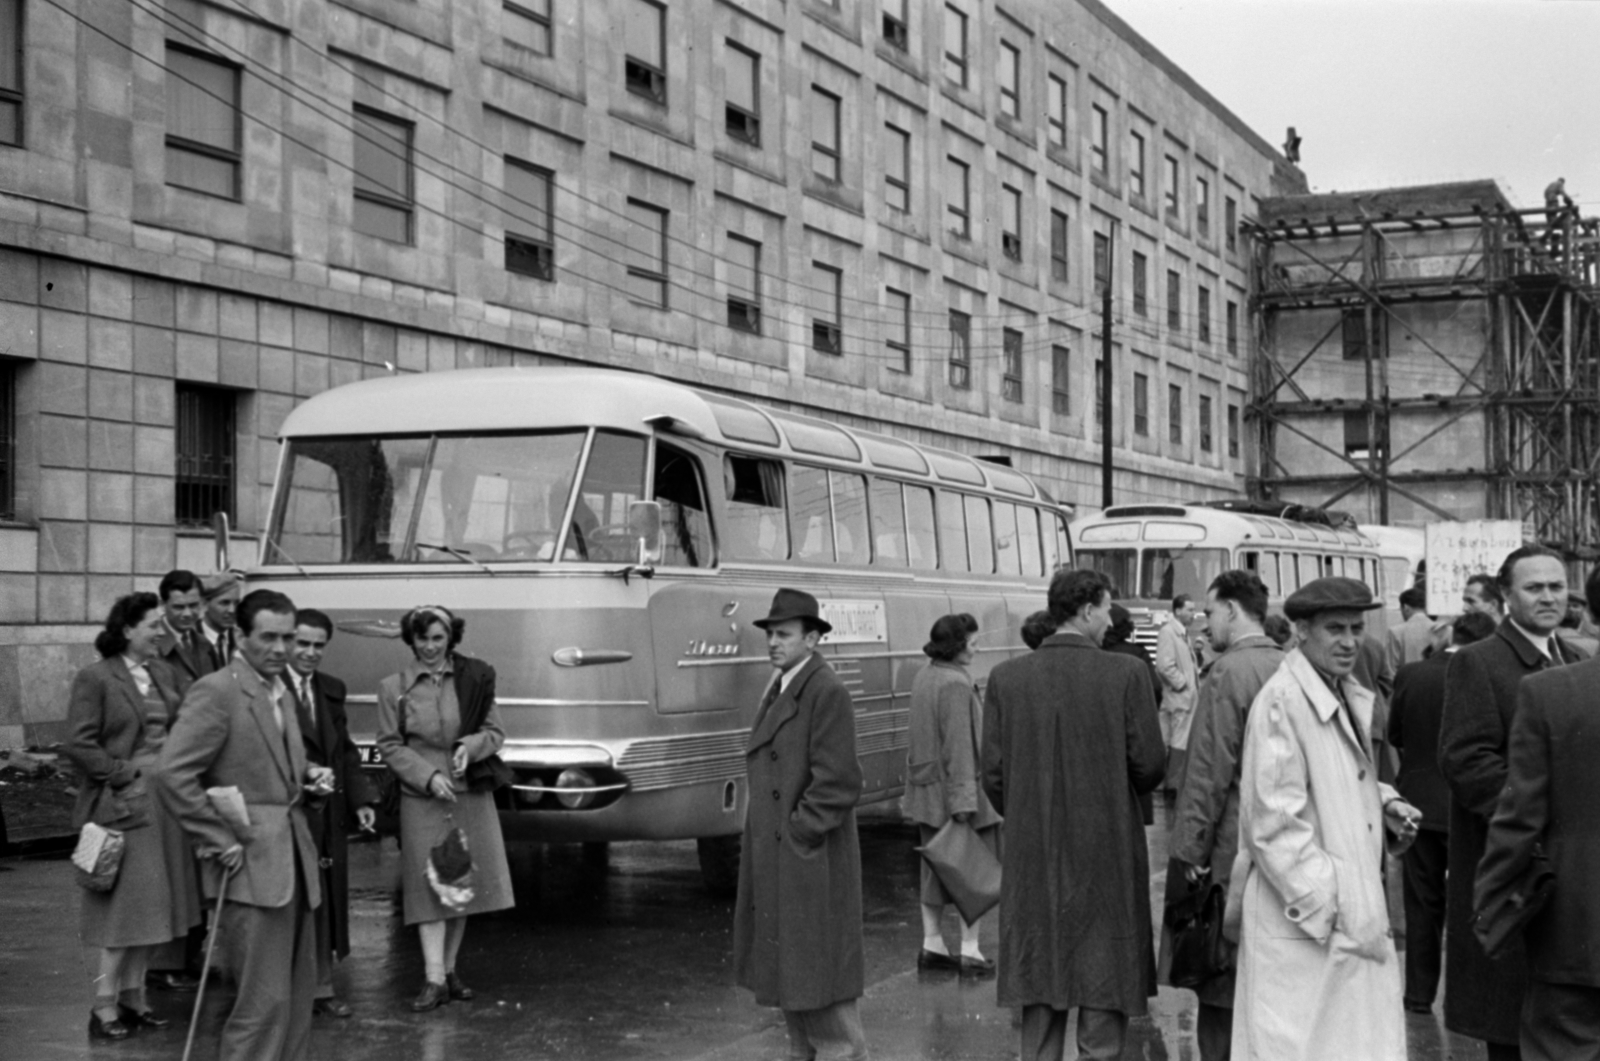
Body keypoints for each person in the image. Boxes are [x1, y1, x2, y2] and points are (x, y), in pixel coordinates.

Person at [1231, 576, 1420, 1061]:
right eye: (1335, 629)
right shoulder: (1284, 700)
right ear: (1300, 630)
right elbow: (1272, 822)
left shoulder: (1335, 690)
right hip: (1309, 926)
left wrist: (1382, 802)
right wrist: (1335, 904)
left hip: (1331, 924)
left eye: (1357, 628)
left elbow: (1329, 777)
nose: (1350, 641)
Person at [982, 569, 1165, 1061]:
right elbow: (1149, 767)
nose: (1110, 620)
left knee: (1040, 975)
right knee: (1104, 974)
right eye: (1106, 609)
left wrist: (1026, 812)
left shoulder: (1006, 679)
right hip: (1106, 849)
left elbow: (994, 776)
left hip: (1033, 851)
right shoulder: (1125, 675)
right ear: (1087, 610)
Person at [157, 589, 329, 1061]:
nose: (281, 648)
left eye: (288, 638)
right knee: (261, 1004)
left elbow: (275, 775)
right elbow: (173, 773)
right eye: (268, 637)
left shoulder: (282, 691)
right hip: (248, 870)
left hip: (293, 862)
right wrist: (217, 838)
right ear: (240, 636)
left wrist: (310, 779)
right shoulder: (218, 690)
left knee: (295, 1001)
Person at [1439, 545, 1582, 1061]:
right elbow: (1466, 761)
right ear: (1505, 597)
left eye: (1557, 586)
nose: (1549, 597)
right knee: (1512, 1026)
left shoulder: (1577, 659)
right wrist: (1536, 813)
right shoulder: (1479, 662)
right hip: (1514, 870)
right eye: (1534, 587)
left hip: (1567, 874)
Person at [734, 588, 868, 1061]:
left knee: (825, 1007)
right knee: (798, 1001)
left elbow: (839, 782)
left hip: (809, 865)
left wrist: (798, 835)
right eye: (770, 633)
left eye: (784, 634)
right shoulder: (786, 683)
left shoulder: (824, 689)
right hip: (787, 863)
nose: (773, 642)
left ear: (812, 638)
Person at [65, 592, 202, 1039]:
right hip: (122, 807)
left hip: (167, 807)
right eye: (154, 624)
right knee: (122, 915)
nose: (162, 631)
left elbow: (182, 730)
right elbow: (80, 743)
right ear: (128, 630)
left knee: (156, 911)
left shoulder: (163, 672)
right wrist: (125, 773)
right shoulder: (97, 678)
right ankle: (102, 1006)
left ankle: (133, 997)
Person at [1477, 565, 1600, 1060]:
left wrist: (1489, 905)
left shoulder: (1551, 693)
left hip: (1574, 930)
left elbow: (1519, 817)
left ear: (1588, 615)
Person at [1165, 570, 1283, 1061]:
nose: (1204, 623)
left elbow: (1208, 772)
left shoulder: (1227, 673)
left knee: (1219, 986)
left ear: (1232, 611)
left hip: (1229, 852)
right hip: (1280, 849)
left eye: (1211, 613)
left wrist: (1190, 850)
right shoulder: (1289, 665)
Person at [375, 605, 515, 1012]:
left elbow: (495, 732)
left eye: (439, 638)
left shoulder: (474, 679)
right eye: (423, 639)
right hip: (422, 798)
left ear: (451, 638)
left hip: (469, 793)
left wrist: (467, 749)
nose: (431, 647)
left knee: (460, 884)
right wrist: (426, 776)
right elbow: (388, 744)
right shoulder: (393, 687)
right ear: (411, 640)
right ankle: (433, 978)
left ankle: (450, 972)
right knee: (429, 885)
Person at [1388, 610, 1497, 1016]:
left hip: (1417, 804)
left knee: (1422, 903)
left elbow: (1396, 734)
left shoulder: (1412, 675)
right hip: (1469, 808)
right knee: (1473, 903)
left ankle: (1418, 995)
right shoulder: (1487, 674)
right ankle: (1469, 998)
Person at [286, 609, 376, 1018]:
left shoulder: (330, 690)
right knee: (289, 903)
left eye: (318, 645)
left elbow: (345, 751)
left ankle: (321, 989)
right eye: (302, 643)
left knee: (324, 901)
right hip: (290, 813)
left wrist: (361, 800)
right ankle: (284, 992)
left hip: (329, 816)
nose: (309, 652)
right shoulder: (270, 690)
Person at [905, 614, 1001, 977]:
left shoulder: (924, 676)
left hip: (926, 794)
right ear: (957, 646)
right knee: (968, 875)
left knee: (933, 871)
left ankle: (932, 945)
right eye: (973, 644)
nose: (977, 650)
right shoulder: (956, 685)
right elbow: (960, 748)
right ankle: (970, 951)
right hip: (955, 794)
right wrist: (964, 804)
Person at [1155, 595, 1199, 795]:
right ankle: (1173, 785)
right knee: (1178, 741)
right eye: (1189, 610)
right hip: (1179, 698)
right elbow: (1164, 665)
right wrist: (1182, 685)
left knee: (1177, 740)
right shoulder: (1169, 632)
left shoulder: (1181, 633)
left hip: (1182, 697)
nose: (1193, 614)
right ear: (1178, 611)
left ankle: (1172, 783)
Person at [155, 569, 214, 698]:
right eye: (178, 607)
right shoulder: (151, 645)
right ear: (162, 605)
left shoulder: (205, 644)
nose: (187, 614)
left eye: (193, 605)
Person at [198, 571, 243, 672]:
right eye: (224, 603)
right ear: (205, 603)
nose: (232, 610)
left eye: (236, 603)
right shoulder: (190, 640)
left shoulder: (241, 640)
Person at [1387, 586, 1434, 671]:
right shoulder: (1444, 630)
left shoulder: (1396, 632)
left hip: (1406, 682)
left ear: (1405, 608)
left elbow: (1391, 669)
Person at [1555, 590, 1598, 659]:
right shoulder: (1547, 631)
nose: (1570, 609)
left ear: (1583, 609)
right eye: (1566, 606)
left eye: (1575, 606)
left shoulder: (1596, 632)